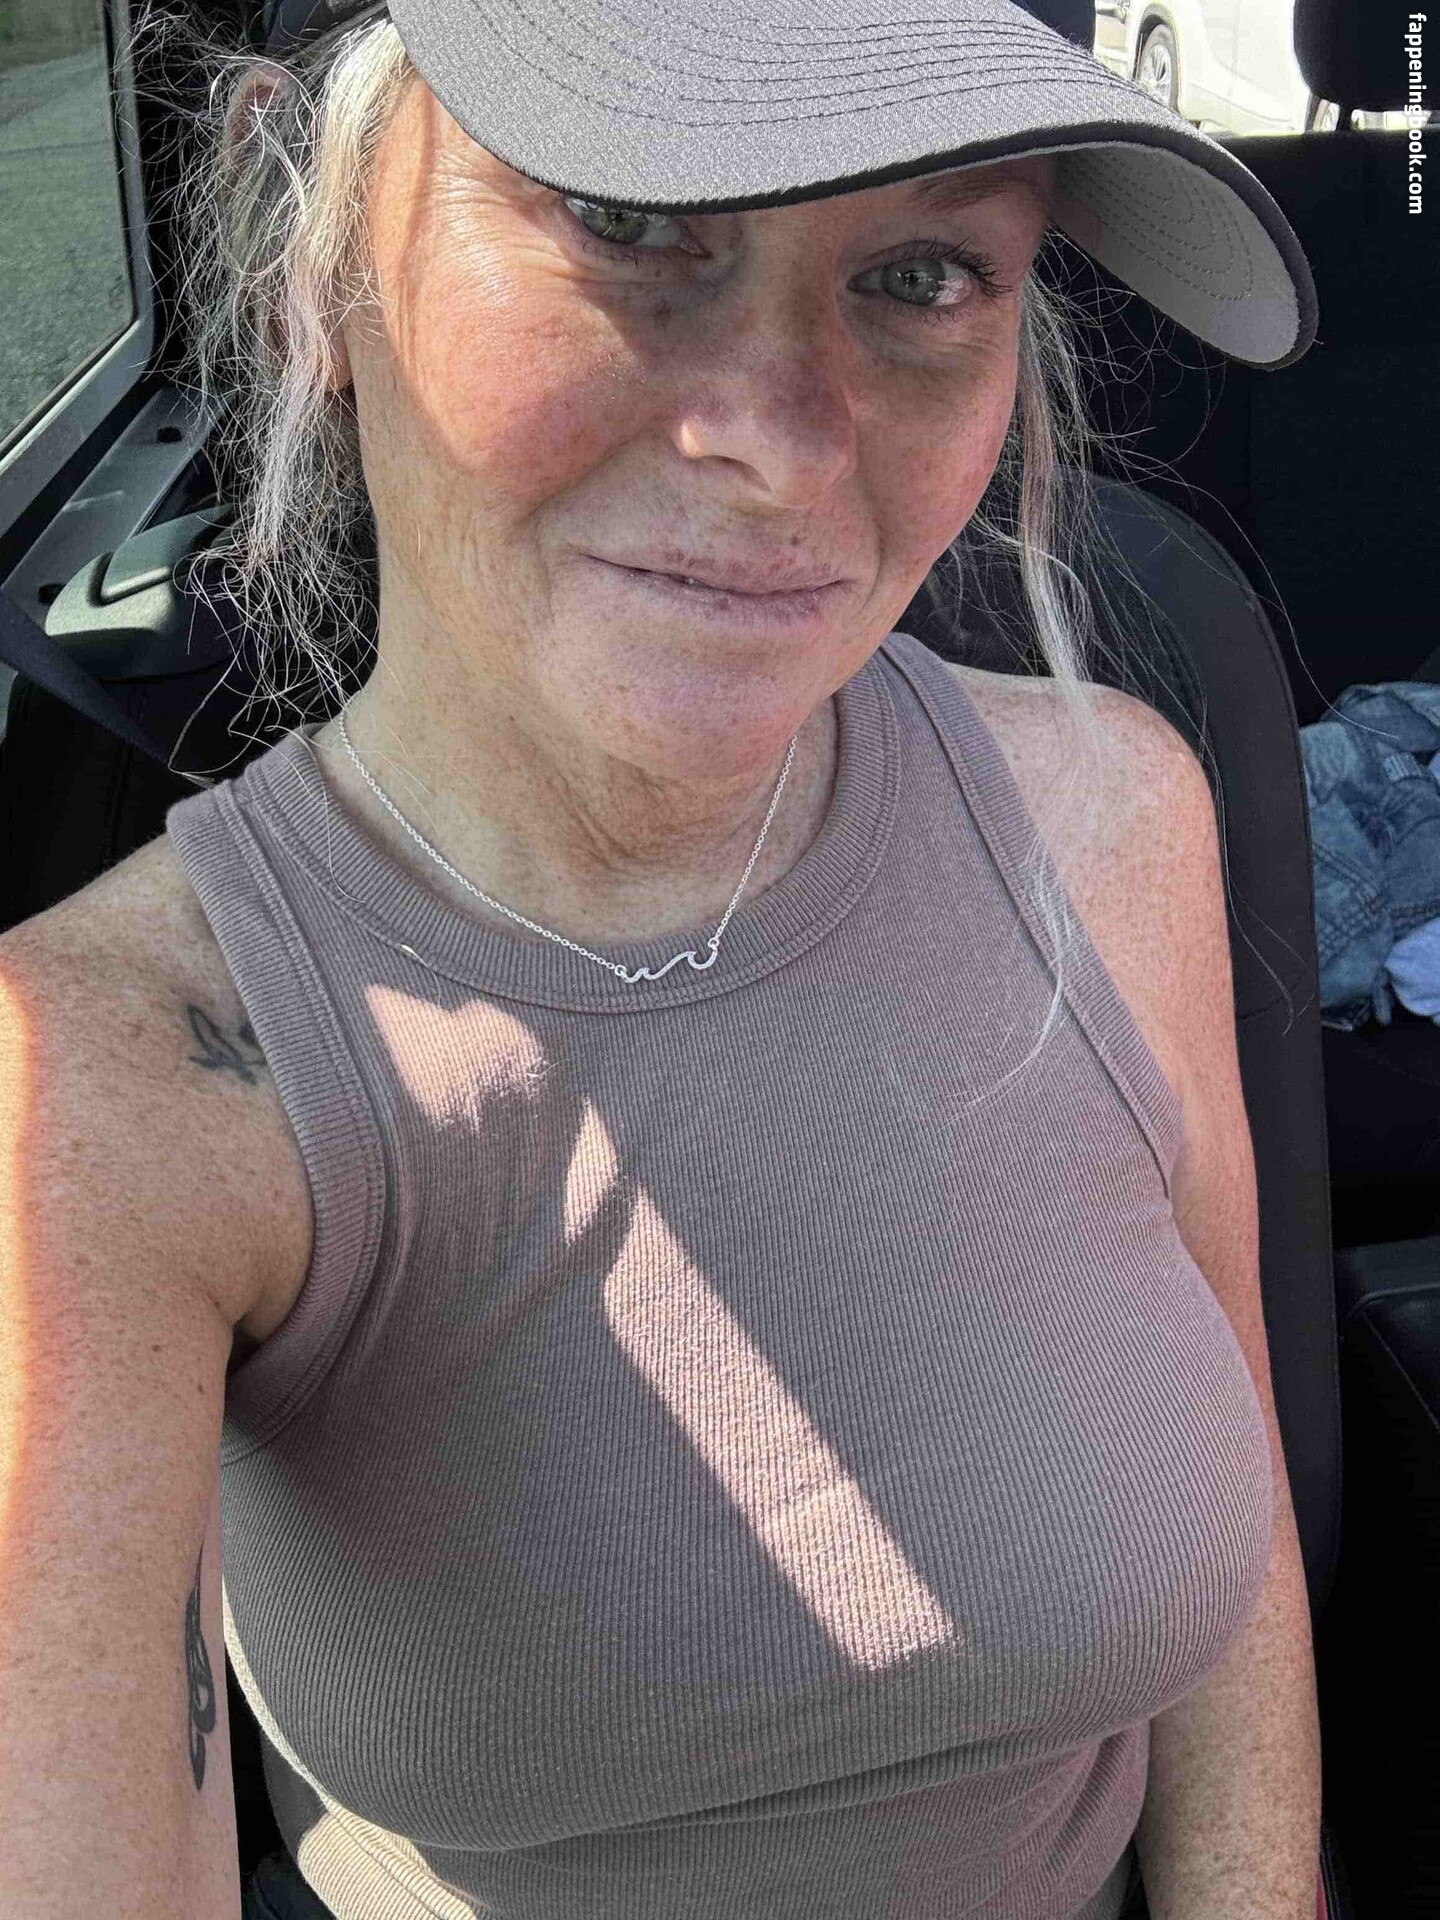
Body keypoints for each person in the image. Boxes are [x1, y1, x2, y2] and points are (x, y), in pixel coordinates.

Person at [0, 2, 1326, 1917]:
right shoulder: (114, 1081)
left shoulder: (1108, 821)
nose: (775, 446)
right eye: (622, 220)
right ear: (310, 243)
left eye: (923, 276)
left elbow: (1235, 1526)